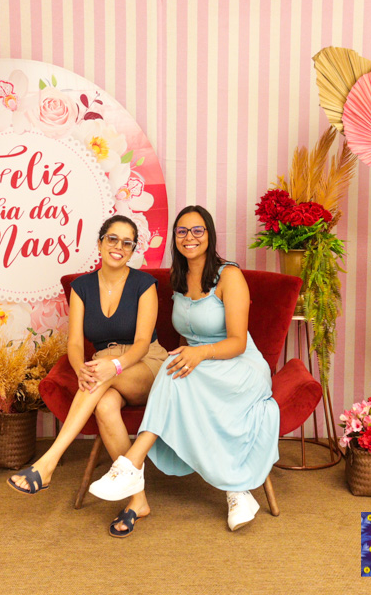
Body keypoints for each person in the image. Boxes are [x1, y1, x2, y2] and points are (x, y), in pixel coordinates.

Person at [89, 205, 280, 533]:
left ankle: (131, 464)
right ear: (175, 238)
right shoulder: (178, 279)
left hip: (239, 365)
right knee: (173, 368)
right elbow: (186, 335)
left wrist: (198, 354)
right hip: (201, 364)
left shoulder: (229, 276)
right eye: (182, 231)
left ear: (209, 235)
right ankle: (237, 491)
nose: (189, 237)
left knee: (173, 370)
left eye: (197, 230)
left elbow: (237, 342)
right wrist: (185, 356)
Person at [7, 216, 168, 512]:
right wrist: (80, 367)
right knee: (104, 405)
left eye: (127, 243)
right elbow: (75, 343)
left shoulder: (144, 284)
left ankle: (48, 461)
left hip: (145, 362)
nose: (118, 247)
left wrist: (114, 366)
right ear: (100, 243)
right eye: (112, 239)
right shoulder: (81, 287)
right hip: (103, 366)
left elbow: (143, 343)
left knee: (101, 372)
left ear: (133, 251)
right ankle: (138, 501)